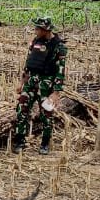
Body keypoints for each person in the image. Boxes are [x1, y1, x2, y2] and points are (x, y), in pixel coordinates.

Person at [13, 16, 67, 154]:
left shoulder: (59, 46)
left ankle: (45, 143)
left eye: (38, 28)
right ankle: (19, 141)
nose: (35, 31)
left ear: (45, 30)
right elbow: (28, 63)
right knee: (21, 109)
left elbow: (61, 71)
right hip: (31, 82)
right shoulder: (35, 41)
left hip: (46, 86)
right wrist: (21, 83)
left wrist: (56, 92)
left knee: (46, 114)